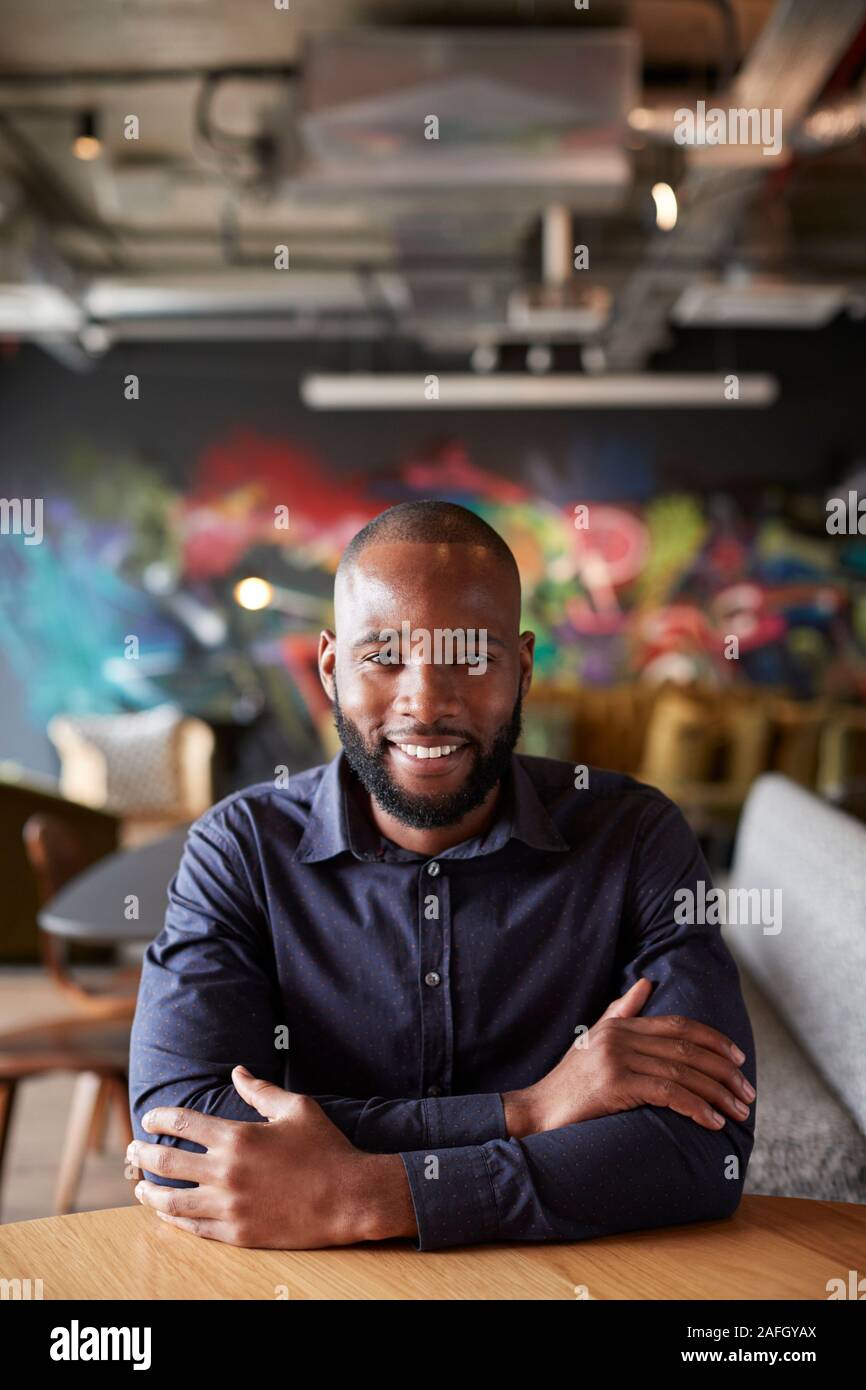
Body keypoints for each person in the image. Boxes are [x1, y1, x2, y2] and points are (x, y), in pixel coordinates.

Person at [128, 500, 756, 1251]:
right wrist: (526, 1111)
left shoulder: (636, 838)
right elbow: (182, 1145)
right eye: (383, 655)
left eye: (471, 656)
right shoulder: (239, 850)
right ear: (331, 668)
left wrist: (370, 1195)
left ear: (522, 668)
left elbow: (702, 1153)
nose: (425, 703)